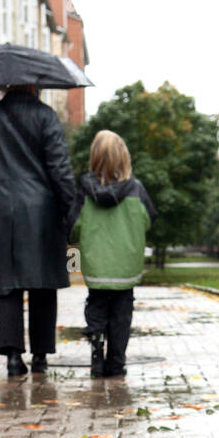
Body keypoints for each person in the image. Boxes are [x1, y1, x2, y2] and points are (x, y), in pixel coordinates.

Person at [0, 85, 76, 377]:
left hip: (0, 208)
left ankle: (13, 357)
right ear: (36, 84)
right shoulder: (45, 116)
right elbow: (59, 166)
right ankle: (40, 355)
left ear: (4, 84)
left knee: (9, 284)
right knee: (42, 283)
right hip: (41, 210)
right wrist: (71, 207)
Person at [71, 130, 156, 378]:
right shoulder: (136, 190)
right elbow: (149, 219)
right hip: (126, 266)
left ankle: (97, 356)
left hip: (96, 266)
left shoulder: (84, 191)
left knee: (96, 307)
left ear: (94, 157)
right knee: (122, 313)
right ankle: (117, 362)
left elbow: (73, 225)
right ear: (124, 158)